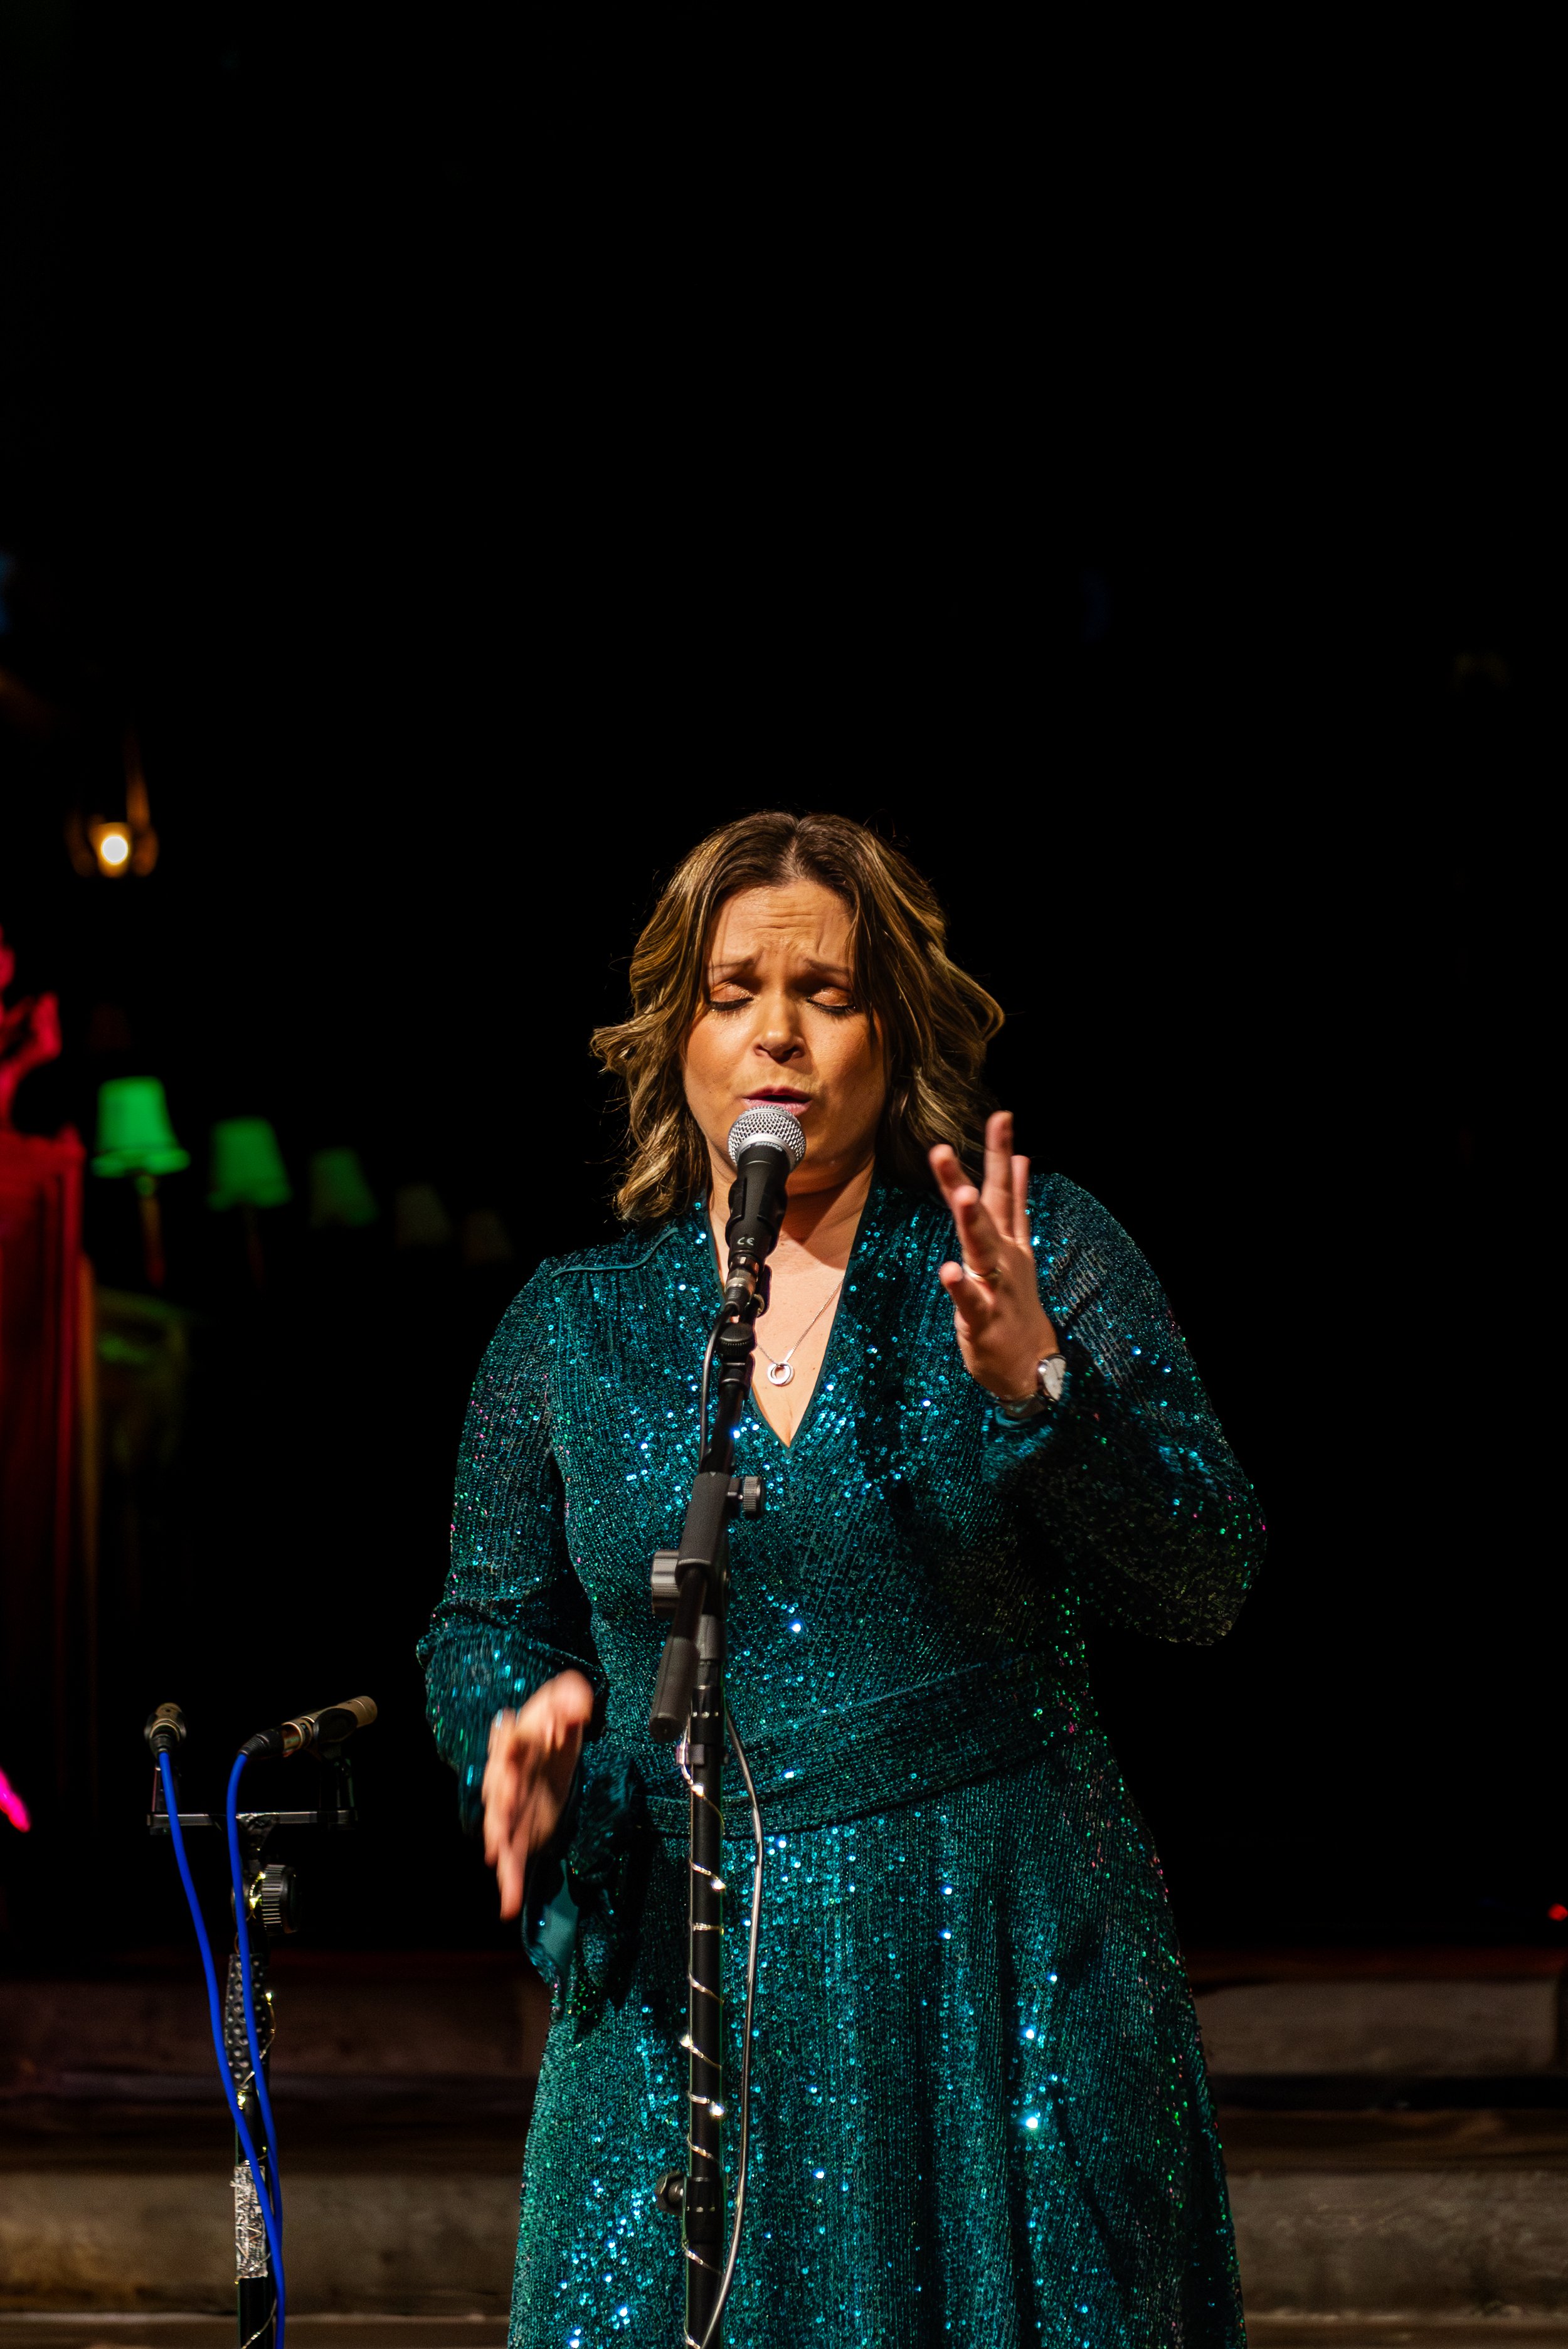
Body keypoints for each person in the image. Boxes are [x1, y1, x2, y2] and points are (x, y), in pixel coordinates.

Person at [418, 810, 1264, 2347]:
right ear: (674, 1037)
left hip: (993, 1971)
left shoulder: (1024, 1252)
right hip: (683, 1994)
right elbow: (485, 1625)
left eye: (826, 992)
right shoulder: (569, 1328)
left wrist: (1043, 1394)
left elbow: (1204, 1577)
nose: (777, 1035)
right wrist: (515, 1733)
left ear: (894, 1032)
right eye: (731, 992)